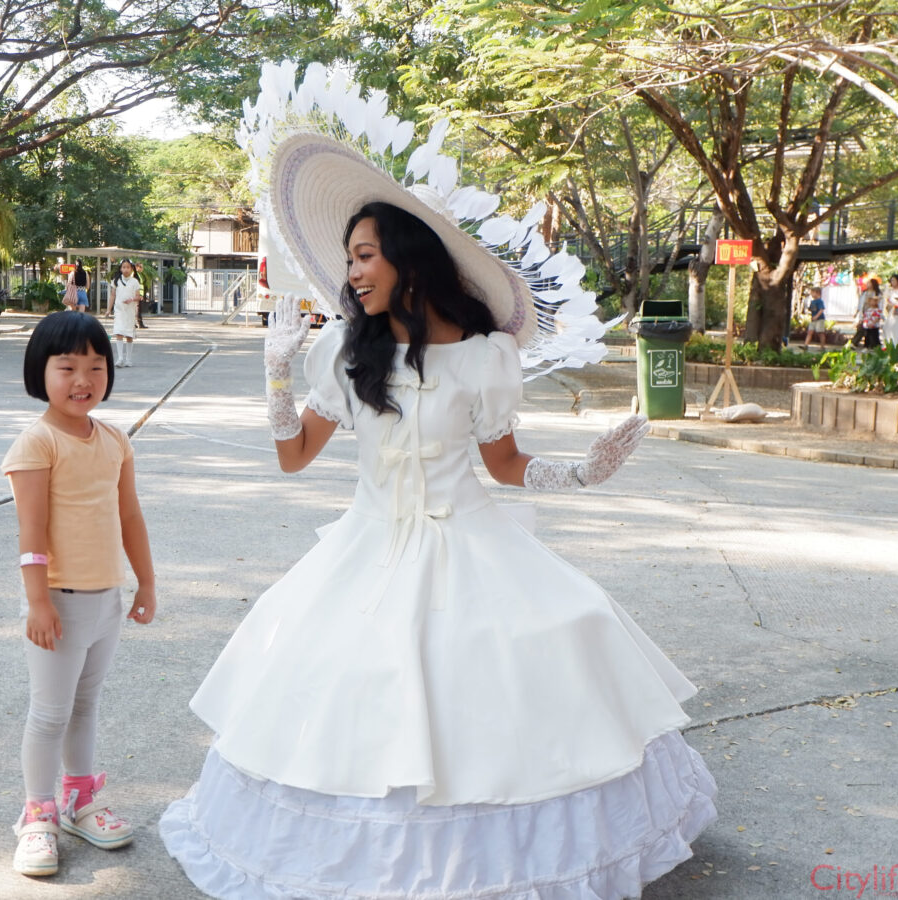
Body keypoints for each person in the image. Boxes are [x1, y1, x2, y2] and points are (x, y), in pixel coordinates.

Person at [159, 66, 715, 900]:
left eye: (365, 256)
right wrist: (275, 376)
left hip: (472, 545)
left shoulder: (485, 358)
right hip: (367, 549)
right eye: (349, 259)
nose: (352, 273)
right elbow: (293, 456)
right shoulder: (347, 352)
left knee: (536, 660)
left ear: (409, 262)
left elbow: (505, 465)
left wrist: (584, 473)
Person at [0, 311, 157, 878]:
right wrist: (38, 602)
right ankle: (37, 814)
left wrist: (146, 580)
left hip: (106, 599)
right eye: (67, 367)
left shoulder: (114, 439)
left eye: (96, 366)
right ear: (40, 372)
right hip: (58, 603)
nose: (83, 379)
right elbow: (32, 532)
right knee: (49, 714)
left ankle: (79, 798)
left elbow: (130, 515)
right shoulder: (37, 443)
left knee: (85, 706)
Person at [107, 260, 141, 367]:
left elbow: (138, 297)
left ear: (131, 269)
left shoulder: (135, 282)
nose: (125, 269)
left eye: (128, 267)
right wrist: (108, 309)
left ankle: (128, 359)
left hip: (130, 312)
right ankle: (120, 358)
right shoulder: (116, 281)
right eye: (123, 267)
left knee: (129, 335)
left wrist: (131, 299)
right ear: (120, 268)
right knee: (119, 332)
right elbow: (112, 295)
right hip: (119, 311)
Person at [858, 278, 883, 350]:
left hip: (874, 314)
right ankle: (867, 344)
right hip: (866, 312)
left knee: (874, 332)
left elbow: (881, 305)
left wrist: (878, 315)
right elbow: (860, 303)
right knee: (866, 331)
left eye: (869, 283)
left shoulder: (877, 293)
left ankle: (875, 345)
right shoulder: (864, 293)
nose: (867, 284)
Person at [802, 284, 827, 352]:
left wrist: (816, 316)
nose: (811, 294)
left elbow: (821, 309)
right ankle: (805, 345)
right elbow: (812, 309)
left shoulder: (819, 301)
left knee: (820, 332)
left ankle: (822, 346)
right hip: (813, 319)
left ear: (817, 293)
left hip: (819, 319)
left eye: (812, 292)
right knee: (810, 332)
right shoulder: (812, 301)